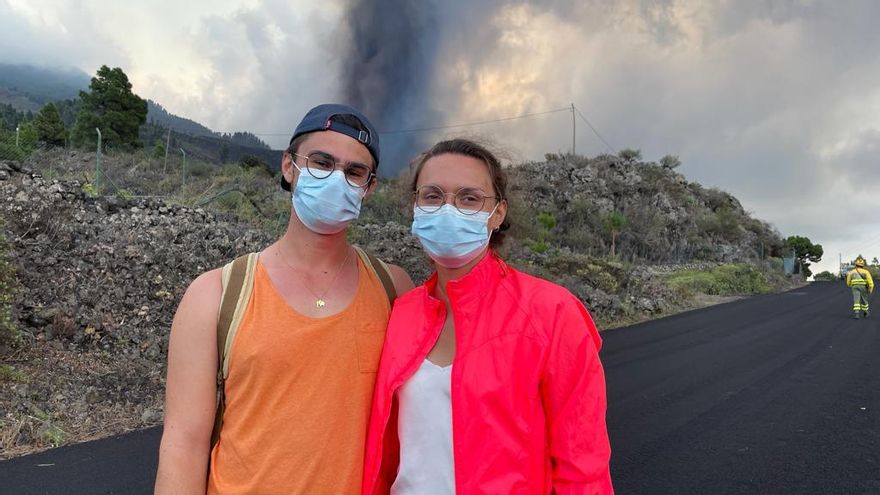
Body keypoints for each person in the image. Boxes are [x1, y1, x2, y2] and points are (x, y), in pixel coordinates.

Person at [154, 103, 414, 494]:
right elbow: (183, 444)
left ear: (369, 187)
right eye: (321, 162)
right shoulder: (217, 295)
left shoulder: (394, 289)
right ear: (289, 167)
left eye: (354, 171)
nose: (336, 178)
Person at [362, 139, 613, 494]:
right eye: (432, 196)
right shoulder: (403, 312)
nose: (448, 209)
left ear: (497, 213)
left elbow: (583, 468)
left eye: (469, 198)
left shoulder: (552, 313)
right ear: (415, 207)